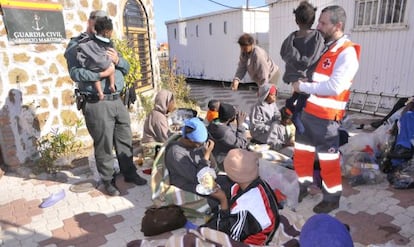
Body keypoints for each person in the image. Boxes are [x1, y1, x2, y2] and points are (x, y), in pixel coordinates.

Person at [64, 10, 147, 196]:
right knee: (104, 145)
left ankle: (129, 172)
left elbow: (125, 68)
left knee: (125, 139)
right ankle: (108, 180)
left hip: (118, 100)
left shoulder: (107, 41)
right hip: (97, 102)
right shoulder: (77, 44)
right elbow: (75, 73)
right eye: (98, 21)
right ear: (90, 21)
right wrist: (98, 75)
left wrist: (119, 60)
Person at [291, 5, 360, 213]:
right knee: (302, 155)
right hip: (309, 114)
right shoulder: (328, 46)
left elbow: (334, 86)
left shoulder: (347, 52)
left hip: (326, 120)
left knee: (328, 161)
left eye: (323, 23)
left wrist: (303, 86)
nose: (318, 26)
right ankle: (304, 186)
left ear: (337, 25)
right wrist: (307, 79)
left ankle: (332, 199)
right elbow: (321, 77)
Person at [202, 148, 280, 246]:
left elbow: (229, 238)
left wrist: (223, 201)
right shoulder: (260, 183)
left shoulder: (245, 206)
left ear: (232, 176)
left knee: (202, 232)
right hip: (250, 223)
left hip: (250, 242)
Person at [280, 1, 325, 134]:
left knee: (296, 114)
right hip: (310, 84)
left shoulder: (290, 39)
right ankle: (303, 137)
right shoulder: (319, 37)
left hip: (298, 84)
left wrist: (295, 77)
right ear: (313, 19)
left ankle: (302, 138)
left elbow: (284, 54)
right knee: (297, 111)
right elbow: (316, 58)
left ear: (296, 20)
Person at [164, 117, 216, 196]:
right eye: (199, 143)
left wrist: (209, 153)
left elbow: (214, 168)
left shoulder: (196, 145)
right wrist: (206, 156)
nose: (202, 145)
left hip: (203, 174)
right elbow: (198, 179)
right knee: (217, 195)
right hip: (186, 184)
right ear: (189, 140)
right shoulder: (176, 153)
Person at [77, 16, 116, 100]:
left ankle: (100, 92)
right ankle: (112, 84)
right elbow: (107, 53)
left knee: (95, 78)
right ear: (107, 32)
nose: (111, 34)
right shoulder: (106, 42)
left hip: (92, 66)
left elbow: (83, 50)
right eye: (111, 32)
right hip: (102, 64)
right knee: (112, 67)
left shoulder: (89, 41)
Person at [250, 84, 293, 153]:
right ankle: (279, 146)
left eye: (275, 95)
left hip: (272, 128)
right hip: (261, 133)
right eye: (272, 95)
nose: (275, 97)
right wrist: (270, 128)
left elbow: (277, 114)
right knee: (276, 138)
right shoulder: (257, 108)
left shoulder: (272, 104)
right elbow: (256, 125)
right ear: (265, 95)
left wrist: (282, 118)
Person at [207, 102, 248, 168]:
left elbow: (227, 127)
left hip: (215, 154)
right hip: (224, 160)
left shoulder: (214, 122)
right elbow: (241, 144)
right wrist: (240, 125)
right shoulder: (225, 132)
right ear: (229, 119)